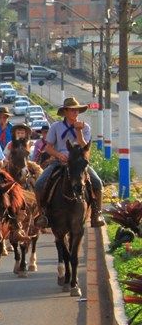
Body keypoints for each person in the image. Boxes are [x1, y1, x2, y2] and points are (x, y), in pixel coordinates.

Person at [34, 97, 105, 228]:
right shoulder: (56, 126)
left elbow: (85, 147)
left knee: (97, 183)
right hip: (59, 162)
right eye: (72, 110)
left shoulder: (85, 127)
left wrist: (78, 131)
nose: (75, 112)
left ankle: (97, 214)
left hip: (78, 163)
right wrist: (58, 155)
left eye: (77, 110)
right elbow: (48, 147)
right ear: (65, 112)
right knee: (39, 184)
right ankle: (42, 214)